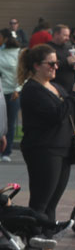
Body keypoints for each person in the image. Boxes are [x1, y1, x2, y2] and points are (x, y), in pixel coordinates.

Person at [18, 44, 75, 221]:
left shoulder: (57, 87)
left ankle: (46, 246)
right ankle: (34, 245)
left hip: (63, 149)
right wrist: (74, 94)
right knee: (40, 202)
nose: (56, 67)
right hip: (44, 150)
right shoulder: (32, 90)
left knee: (52, 203)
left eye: (57, 63)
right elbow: (56, 116)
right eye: (51, 64)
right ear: (36, 66)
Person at [0, 29, 21, 161]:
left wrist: (18, 89)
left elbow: (22, 73)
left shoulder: (18, 53)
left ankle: (6, 152)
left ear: (6, 38)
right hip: (1, 91)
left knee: (10, 122)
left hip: (13, 92)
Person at [49, 24, 75, 94]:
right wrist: (66, 62)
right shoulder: (48, 48)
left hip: (70, 89)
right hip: (56, 88)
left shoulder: (68, 47)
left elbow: (74, 67)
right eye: (65, 35)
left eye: (68, 36)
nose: (68, 38)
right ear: (56, 34)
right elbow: (48, 66)